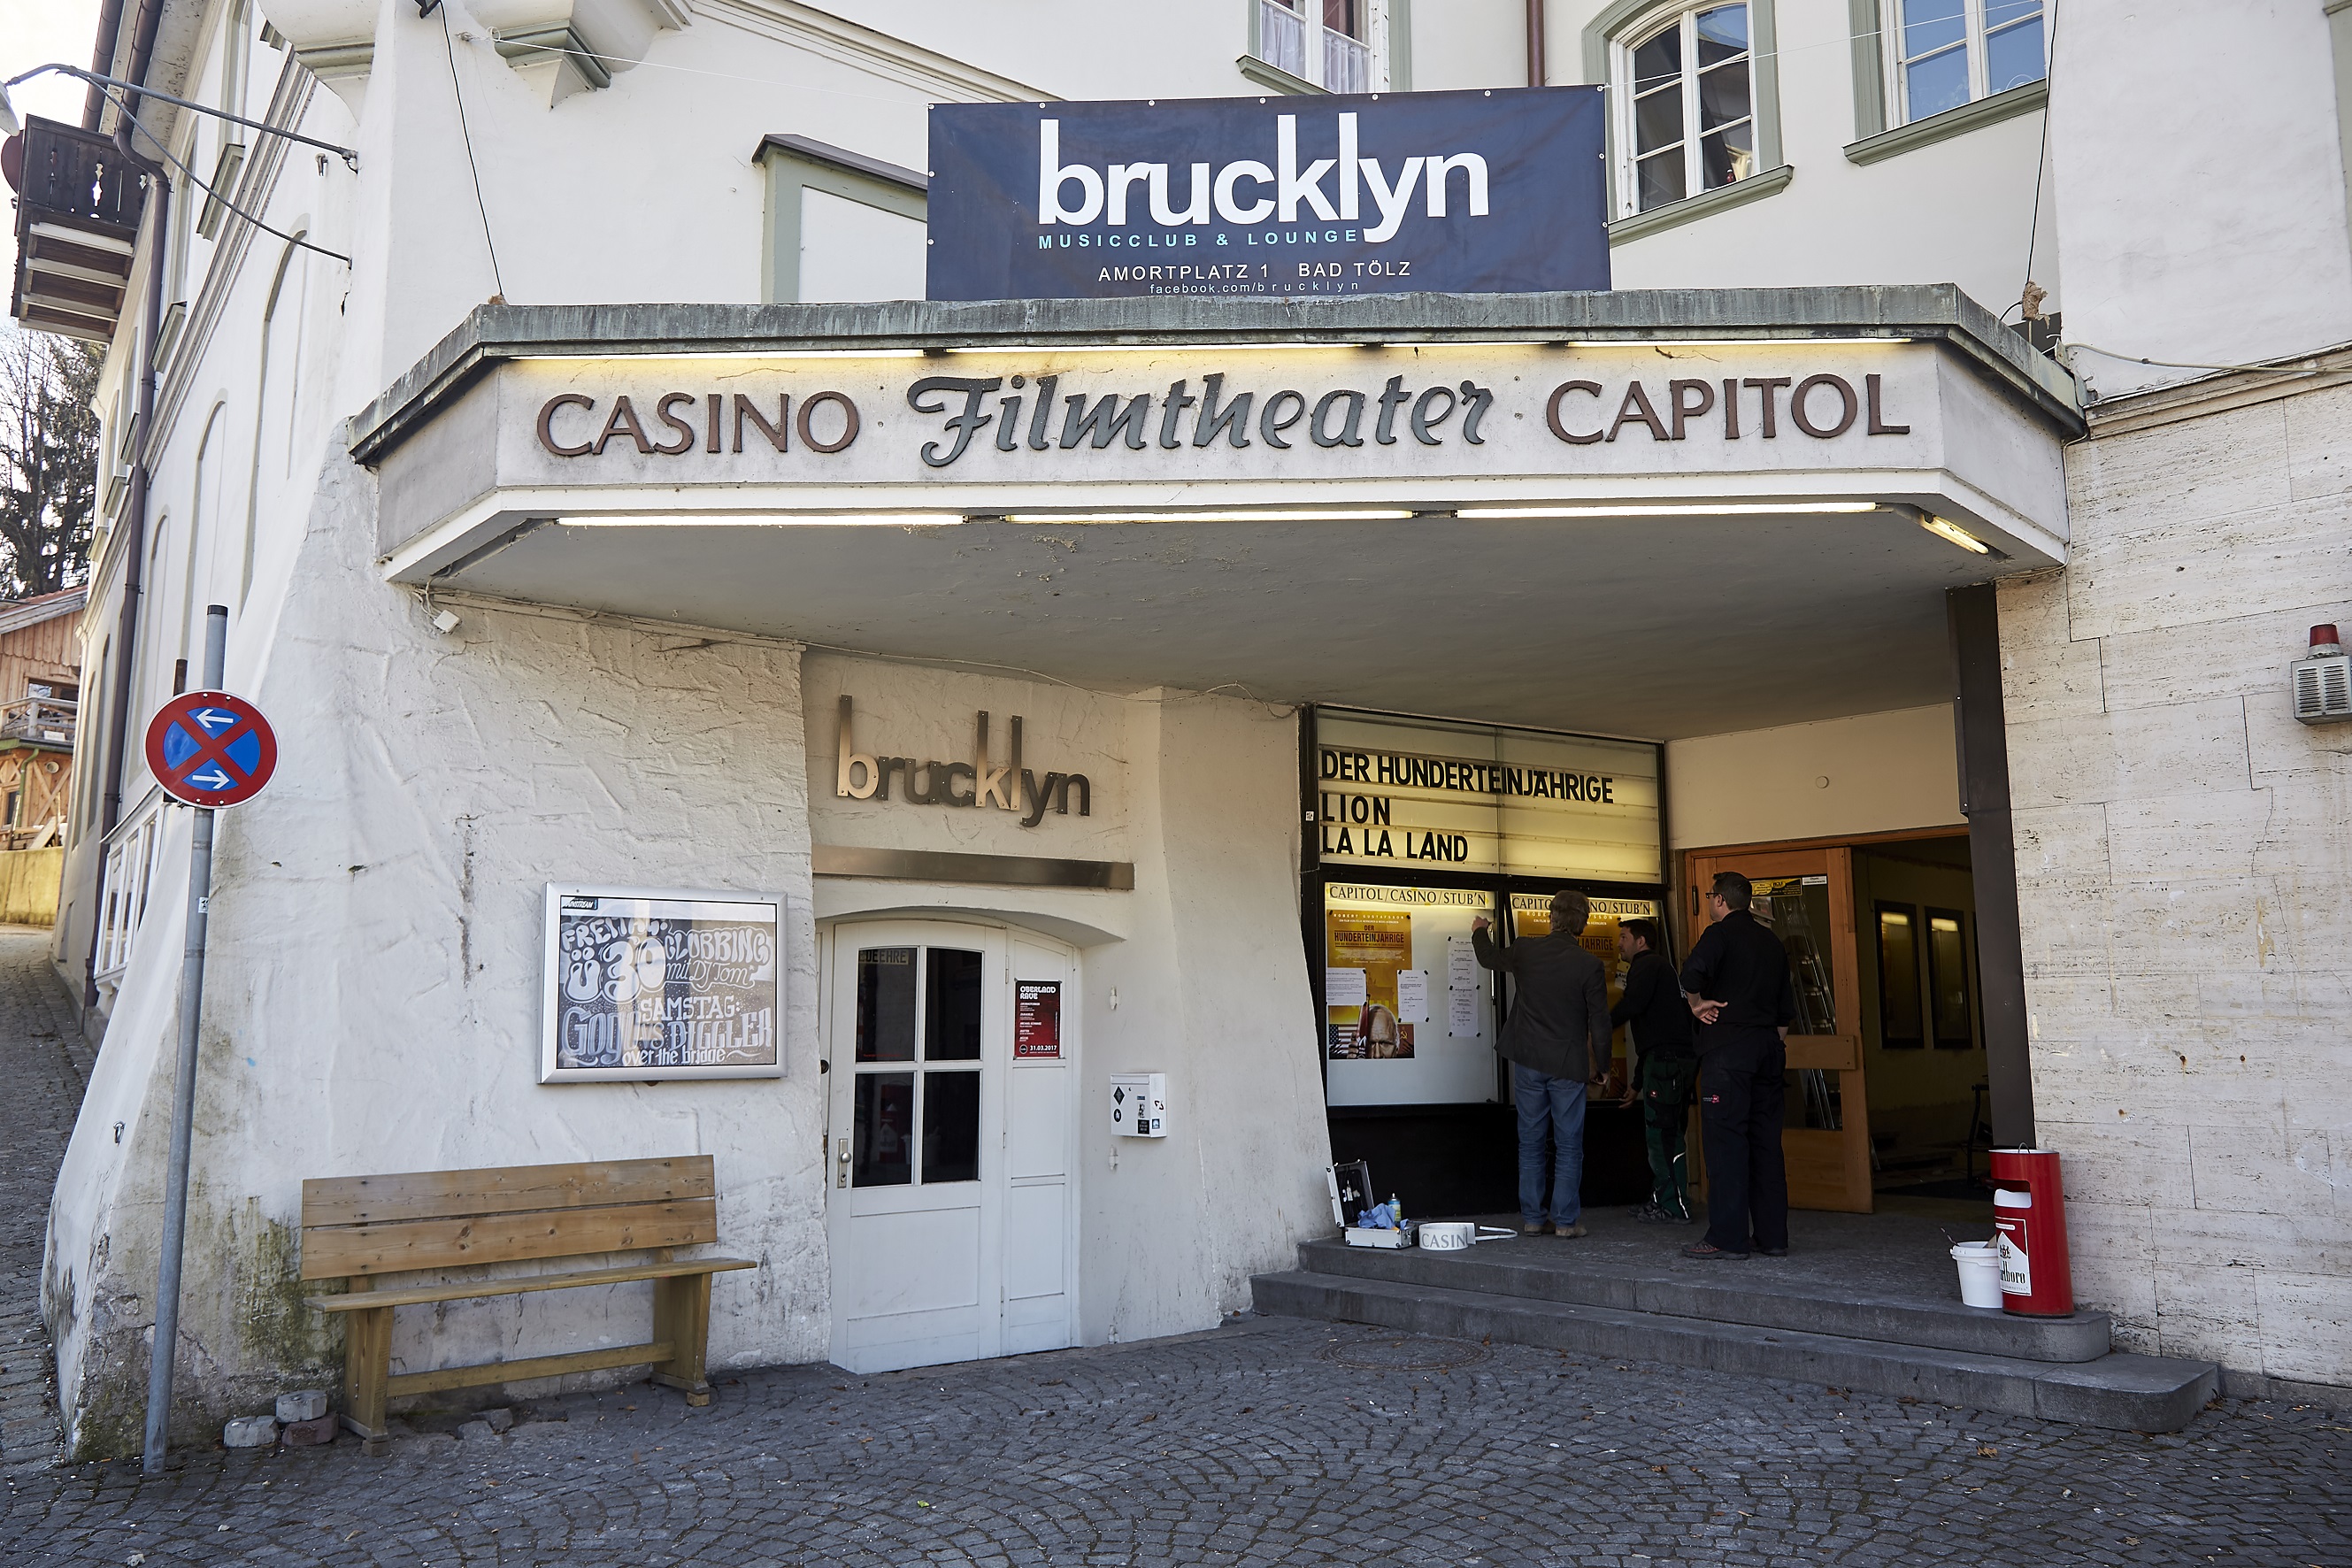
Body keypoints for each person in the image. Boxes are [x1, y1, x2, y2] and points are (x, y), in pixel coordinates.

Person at [1472, 892, 1610, 1238]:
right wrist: (1603, 1067)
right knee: (1568, 1145)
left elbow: (1489, 959)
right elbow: (1600, 1023)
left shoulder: (1525, 950)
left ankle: (1533, 1218)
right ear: (1582, 923)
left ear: (1552, 918)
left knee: (1531, 1143)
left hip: (1529, 1062)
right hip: (1567, 1065)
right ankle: (1565, 1223)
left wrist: (1479, 930)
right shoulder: (1588, 964)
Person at [1678, 872, 1799, 1260]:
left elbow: (1690, 974)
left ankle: (1728, 1238)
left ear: (1719, 901)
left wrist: (1697, 1004)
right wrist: (1768, 1042)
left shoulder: (1720, 935)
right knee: (1767, 1145)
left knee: (1726, 1145)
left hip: (1728, 1051)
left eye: (1711, 896)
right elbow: (1785, 1012)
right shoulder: (1771, 941)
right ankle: (1772, 1237)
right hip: (1767, 1049)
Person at [1611, 918, 1696, 1224]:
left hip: (1666, 1063)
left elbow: (1632, 1006)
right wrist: (1637, 1082)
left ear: (1641, 942)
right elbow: (1652, 1033)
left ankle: (1674, 1206)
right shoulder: (1661, 970)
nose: (1619, 943)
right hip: (1671, 1061)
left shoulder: (1646, 966)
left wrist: (1598, 1027)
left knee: (1663, 1135)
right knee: (1669, 1130)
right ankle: (1665, 1197)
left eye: (1624, 937)